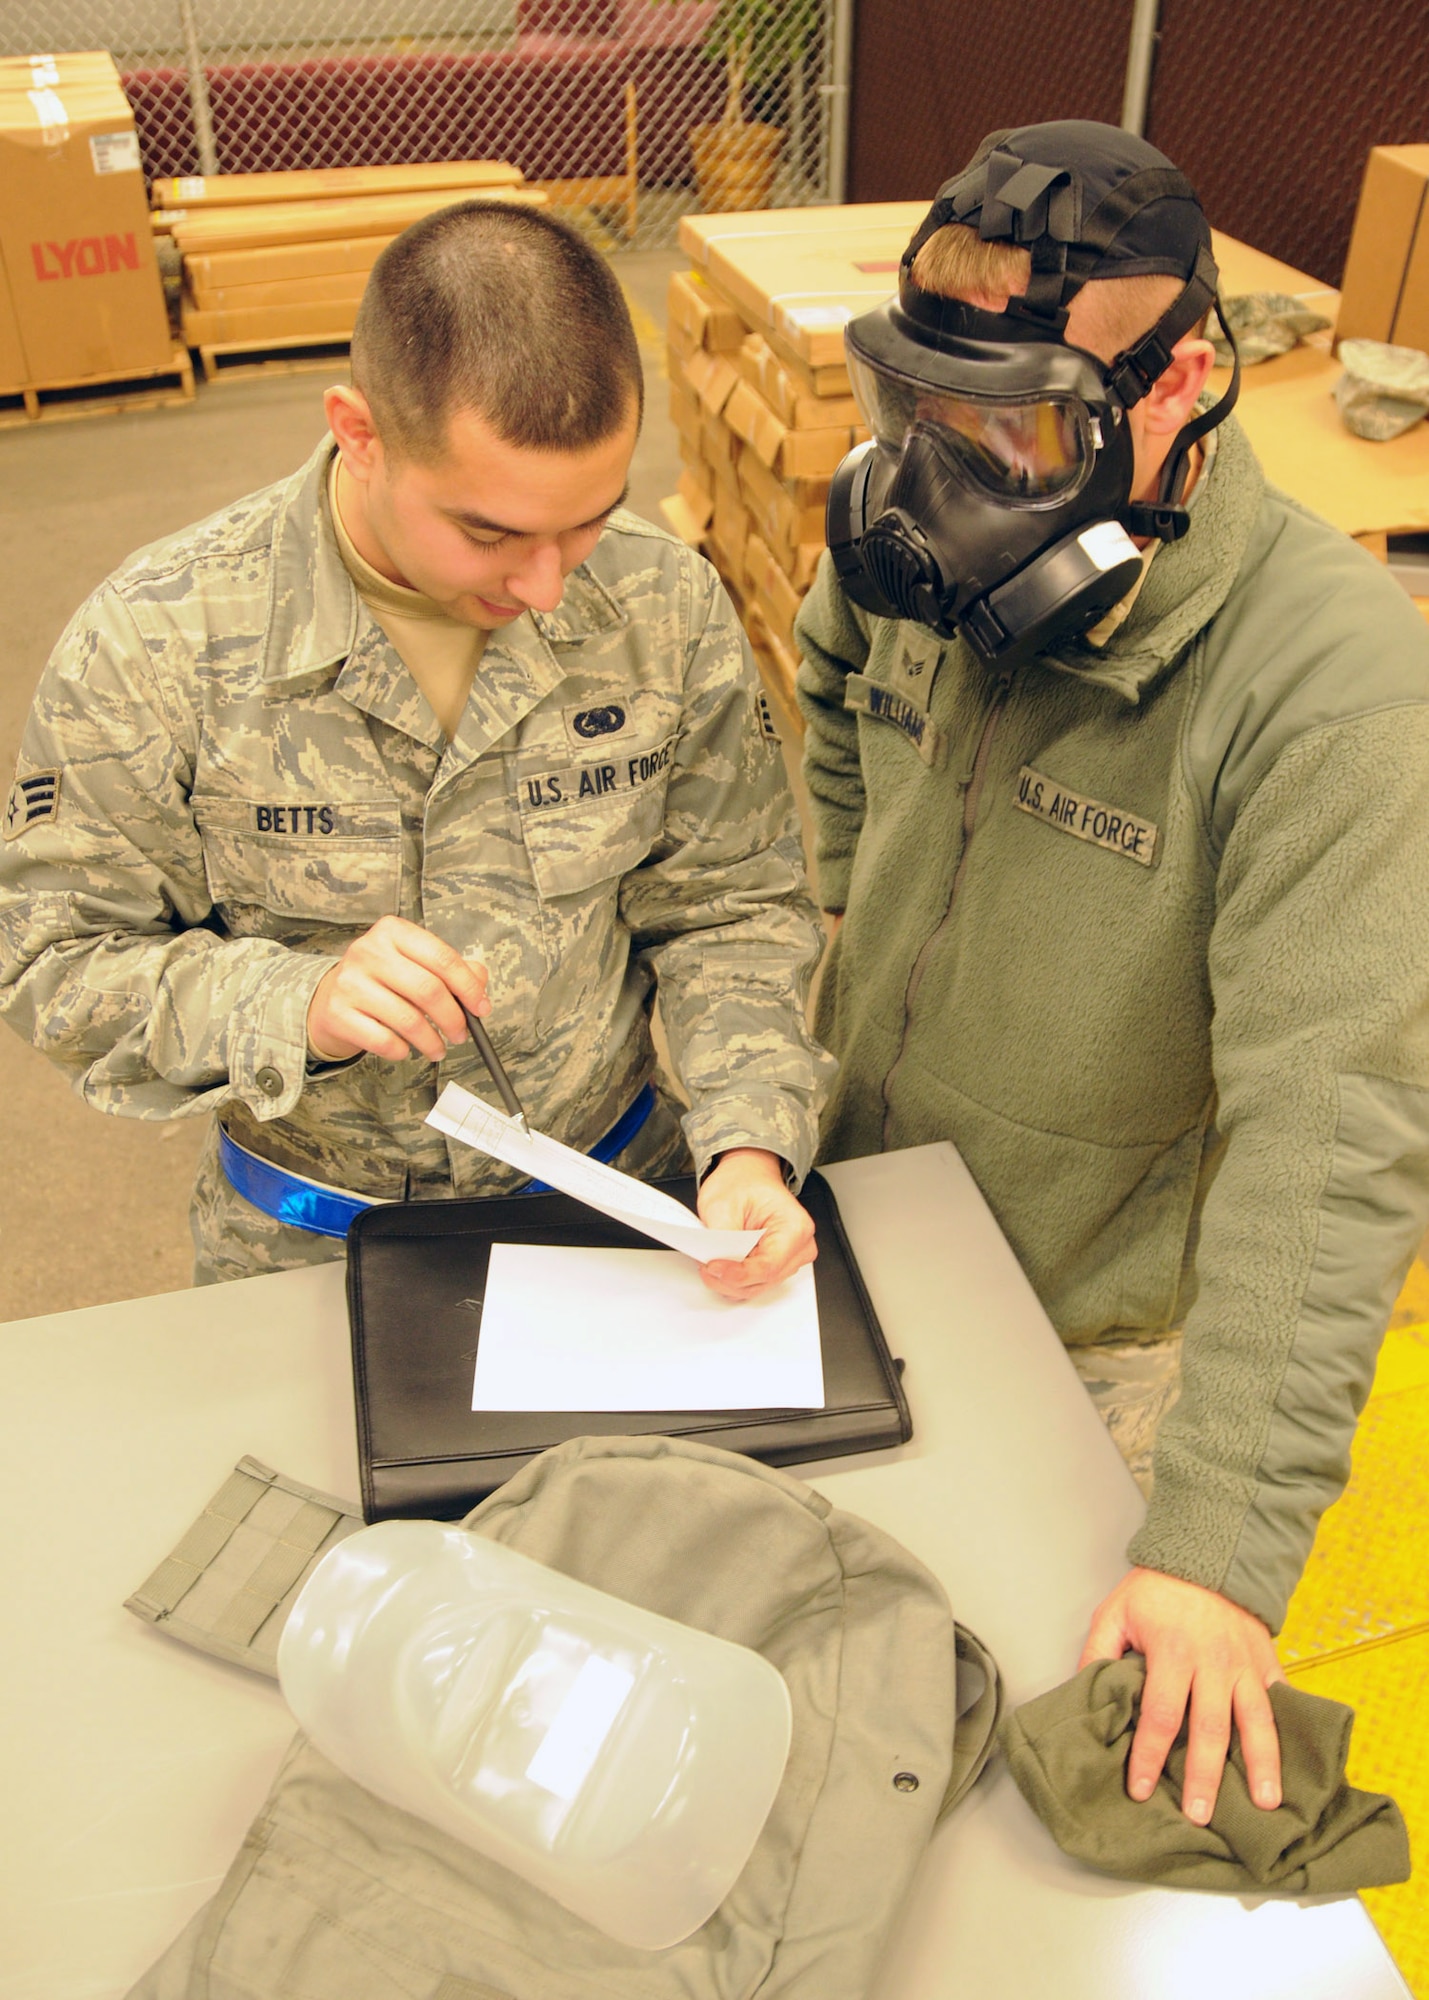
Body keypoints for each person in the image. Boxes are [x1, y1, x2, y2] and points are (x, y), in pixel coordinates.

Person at [796, 122, 1429, 1826]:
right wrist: (837, 925)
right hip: (845, 1236)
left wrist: (1214, 1551)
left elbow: (1334, 1125)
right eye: (913, 413)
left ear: (1180, 390)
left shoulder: (1332, 699)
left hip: (1081, 1332)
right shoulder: (918, 563)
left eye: (1009, 431)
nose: (934, 481)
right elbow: (827, 694)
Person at [0, 200, 833, 1301]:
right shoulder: (159, 639)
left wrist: (748, 1142)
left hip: (619, 1214)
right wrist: (292, 1002)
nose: (545, 586)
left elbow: (728, 903)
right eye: (489, 532)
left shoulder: (660, 602)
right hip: (307, 1244)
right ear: (359, 430)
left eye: (585, 520)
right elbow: (53, 959)